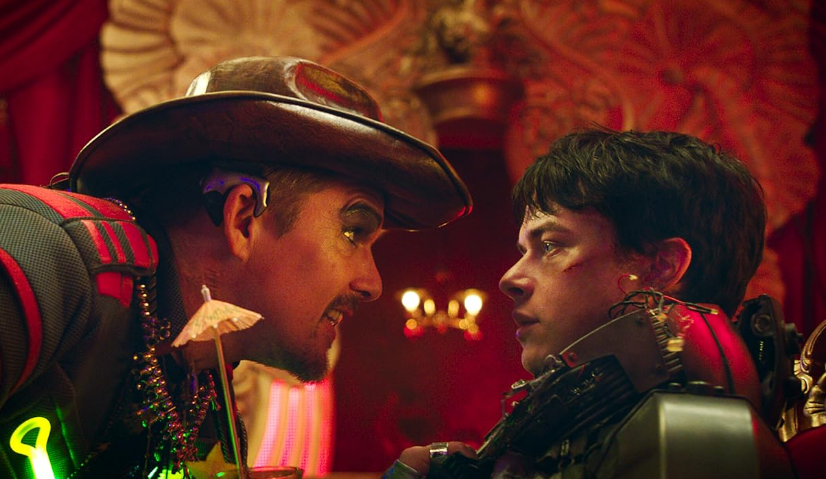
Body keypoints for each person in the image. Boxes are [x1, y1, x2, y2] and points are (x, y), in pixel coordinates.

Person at [0, 56, 472, 478]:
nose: (372, 283)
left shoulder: (208, 395)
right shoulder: (45, 255)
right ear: (243, 218)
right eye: (354, 230)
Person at [392, 127, 798, 479]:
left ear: (662, 266)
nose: (510, 278)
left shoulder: (696, 435)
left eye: (550, 245)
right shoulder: (593, 436)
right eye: (523, 250)